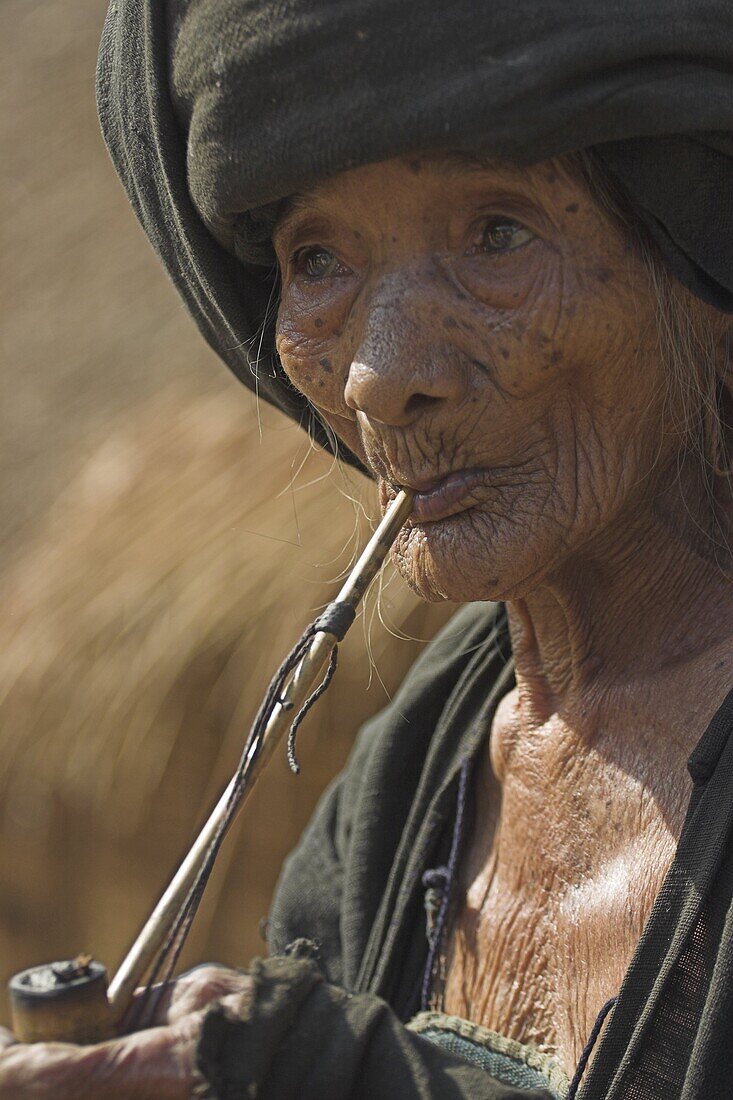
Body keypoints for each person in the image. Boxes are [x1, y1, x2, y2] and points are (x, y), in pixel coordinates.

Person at [2, 0, 732, 1096]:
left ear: (695, 250)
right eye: (319, 258)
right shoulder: (413, 768)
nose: (377, 374)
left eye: (496, 231)